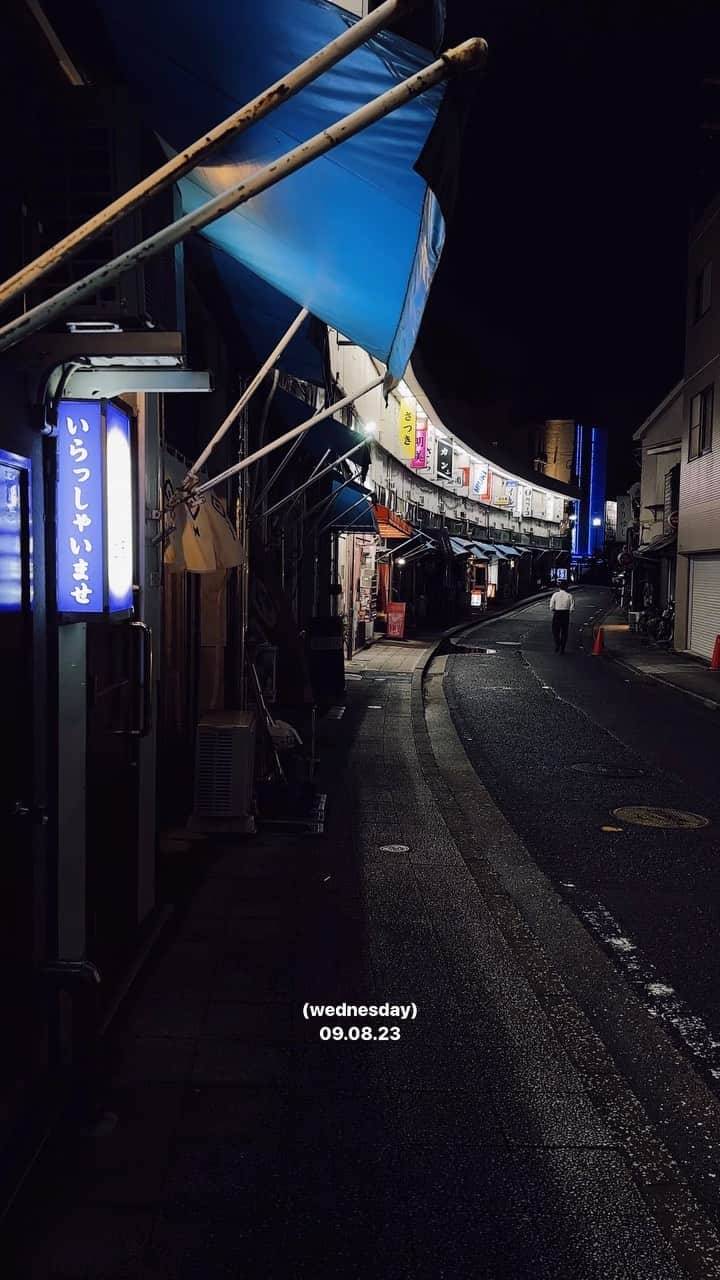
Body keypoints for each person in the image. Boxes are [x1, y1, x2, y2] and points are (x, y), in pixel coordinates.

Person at [548, 583, 574, 653]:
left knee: (555, 631)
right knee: (564, 632)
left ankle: (557, 644)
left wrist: (554, 610)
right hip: (565, 614)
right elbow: (572, 608)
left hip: (557, 614)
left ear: (559, 588)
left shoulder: (555, 594)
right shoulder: (569, 595)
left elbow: (551, 606)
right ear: (567, 588)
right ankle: (562, 648)